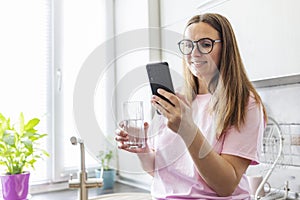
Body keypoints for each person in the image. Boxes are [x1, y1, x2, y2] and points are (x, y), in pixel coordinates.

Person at [115, 13, 267, 199]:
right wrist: (143, 149)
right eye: (188, 45)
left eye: (205, 44)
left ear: (226, 49)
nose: (194, 53)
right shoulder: (176, 100)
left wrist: (187, 130)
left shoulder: (244, 103)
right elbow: (159, 173)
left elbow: (225, 185)